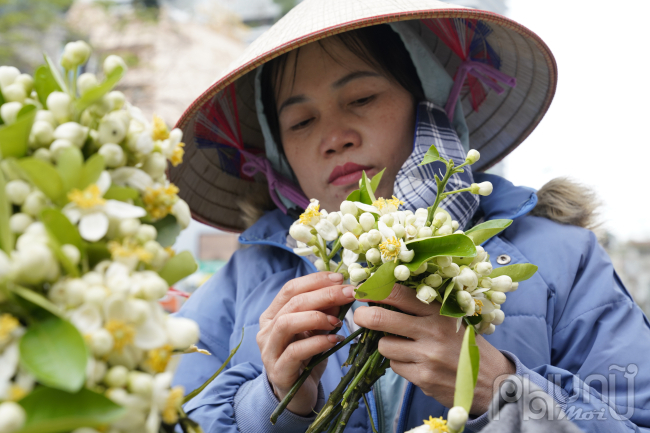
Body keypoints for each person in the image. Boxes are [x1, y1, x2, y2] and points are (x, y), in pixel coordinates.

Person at [169, 1, 650, 432]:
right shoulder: (245, 281)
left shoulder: (562, 258)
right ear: (279, 152)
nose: (334, 136)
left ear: (428, 104)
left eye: (361, 98)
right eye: (301, 121)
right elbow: (170, 416)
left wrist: (500, 388)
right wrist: (274, 404)